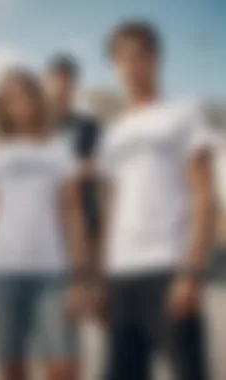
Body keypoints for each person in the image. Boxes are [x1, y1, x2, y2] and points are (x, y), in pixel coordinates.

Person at [96, 21, 215, 380]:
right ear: (115, 66)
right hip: (121, 275)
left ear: (156, 60)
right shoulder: (113, 133)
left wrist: (191, 271)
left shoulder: (184, 115)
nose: (131, 66)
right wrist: (103, 275)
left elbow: (205, 196)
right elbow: (111, 207)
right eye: (122, 59)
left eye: (139, 56)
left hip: (169, 269)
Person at [0, 68, 87, 380]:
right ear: (0, 105)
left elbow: (73, 214)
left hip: (51, 274)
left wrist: (80, 276)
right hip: (1, 274)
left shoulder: (58, 151)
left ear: (39, 100)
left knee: (62, 367)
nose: (19, 103)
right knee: (11, 367)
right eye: (10, 97)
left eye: (26, 94)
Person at [44, 54, 101, 246]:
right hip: (42, 219)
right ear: (46, 81)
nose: (61, 86)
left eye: (67, 80)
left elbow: (95, 166)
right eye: (56, 79)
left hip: (81, 217)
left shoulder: (88, 126)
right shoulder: (31, 127)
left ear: (74, 85)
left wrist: (65, 171)